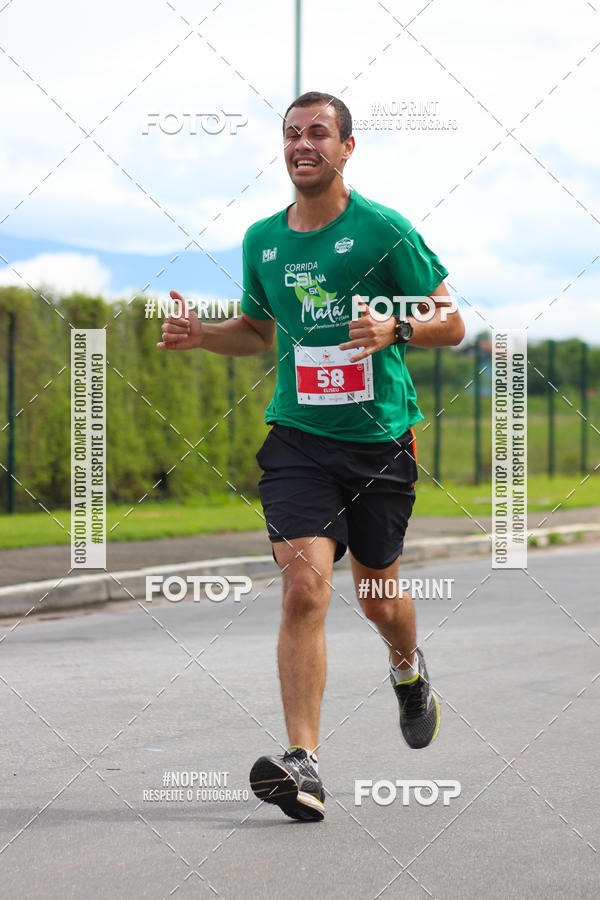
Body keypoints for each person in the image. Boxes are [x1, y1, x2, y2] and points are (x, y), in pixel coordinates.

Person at [157, 91, 465, 822]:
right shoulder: (262, 239)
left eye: (318, 133)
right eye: (292, 134)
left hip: (379, 441)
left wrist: (395, 327)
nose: (303, 145)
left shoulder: (382, 230)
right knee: (303, 588)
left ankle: (406, 669)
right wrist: (204, 335)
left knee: (377, 597)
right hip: (297, 438)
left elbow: (450, 321)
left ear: (347, 147)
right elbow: (258, 333)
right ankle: (305, 762)